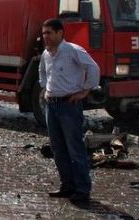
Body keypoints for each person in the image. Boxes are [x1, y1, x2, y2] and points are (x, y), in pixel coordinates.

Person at [39, 18, 100, 204]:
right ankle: (67, 186)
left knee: (75, 148)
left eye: (49, 33)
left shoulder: (73, 50)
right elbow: (42, 73)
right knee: (58, 149)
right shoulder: (46, 54)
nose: (46, 37)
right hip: (52, 106)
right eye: (44, 33)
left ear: (60, 33)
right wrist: (45, 89)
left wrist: (85, 90)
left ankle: (82, 189)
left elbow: (93, 67)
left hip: (69, 106)